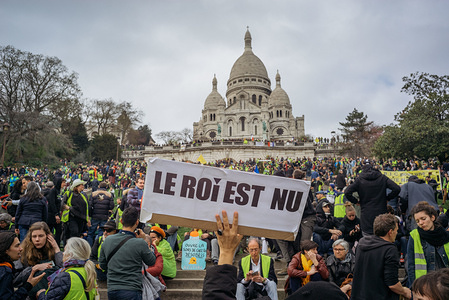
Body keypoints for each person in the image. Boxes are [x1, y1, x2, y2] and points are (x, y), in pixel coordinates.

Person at [99, 206, 156, 300]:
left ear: (121, 221)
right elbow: (151, 261)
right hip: (132, 289)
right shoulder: (140, 243)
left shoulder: (108, 240)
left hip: (112, 290)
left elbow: (103, 265)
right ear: (137, 222)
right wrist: (146, 242)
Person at [351, 213, 411, 299]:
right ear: (390, 232)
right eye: (396, 230)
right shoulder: (390, 250)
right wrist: (405, 292)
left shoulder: (362, 243)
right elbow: (392, 284)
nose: (397, 233)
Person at [344, 162, 401, 235]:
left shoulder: (360, 180)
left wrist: (356, 202)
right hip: (381, 214)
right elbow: (397, 188)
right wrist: (388, 198)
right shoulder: (382, 178)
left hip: (366, 216)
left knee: (368, 240)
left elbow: (347, 192)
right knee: (382, 239)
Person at [14, 222, 63, 298]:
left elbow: (64, 268)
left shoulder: (52, 250)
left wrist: (56, 249)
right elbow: (15, 279)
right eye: (34, 236)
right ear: (30, 238)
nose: (37, 239)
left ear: (47, 237)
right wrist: (34, 268)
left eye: (41, 236)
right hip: (29, 293)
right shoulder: (23, 252)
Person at [407, 201, 449, 287]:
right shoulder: (414, 236)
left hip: (445, 283)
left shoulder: (445, 235)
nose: (420, 223)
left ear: (432, 217)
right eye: (417, 221)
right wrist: (413, 288)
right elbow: (411, 265)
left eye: (423, 219)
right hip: (425, 285)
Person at [202, 210, 243, 299]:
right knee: (214, 241)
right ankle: (215, 259)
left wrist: (226, 251)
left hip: (231, 242)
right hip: (218, 241)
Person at [0, 231, 46, 300]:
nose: (21, 249)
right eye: (17, 246)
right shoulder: (5, 271)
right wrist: (28, 285)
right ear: (6, 250)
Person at [87, 181, 115, 246]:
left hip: (95, 215)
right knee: (101, 233)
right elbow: (112, 206)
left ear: (99, 186)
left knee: (91, 233)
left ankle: (89, 247)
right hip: (104, 216)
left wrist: (91, 214)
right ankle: (98, 247)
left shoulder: (93, 194)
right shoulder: (109, 194)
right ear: (106, 187)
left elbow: (90, 205)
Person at [46, 177, 65, 247]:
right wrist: (56, 214)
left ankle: (56, 246)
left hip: (58, 214)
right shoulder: (53, 191)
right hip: (52, 215)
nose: (64, 184)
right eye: (63, 182)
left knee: (59, 231)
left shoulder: (59, 191)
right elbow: (52, 203)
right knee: (49, 231)